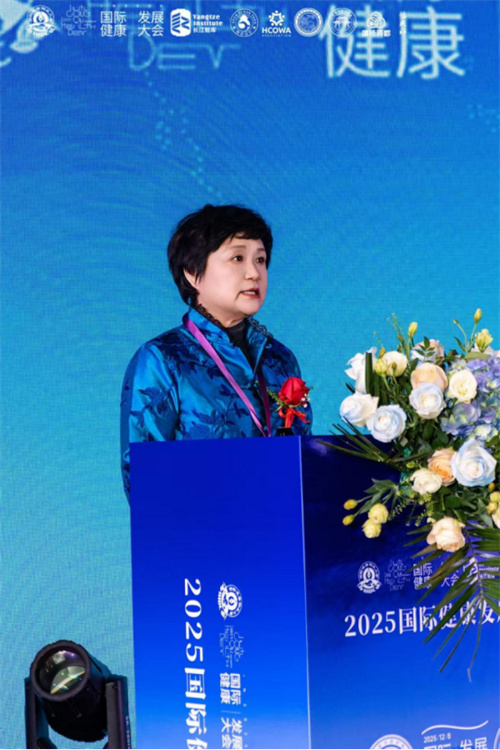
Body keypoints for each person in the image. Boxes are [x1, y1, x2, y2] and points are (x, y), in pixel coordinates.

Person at [120, 204, 312, 499]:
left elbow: (304, 463)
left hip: (282, 524)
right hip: (199, 526)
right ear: (192, 273)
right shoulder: (163, 359)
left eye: (260, 260)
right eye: (237, 258)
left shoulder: (281, 360)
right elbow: (144, 479)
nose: (254, 273)